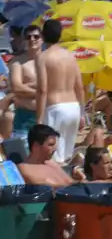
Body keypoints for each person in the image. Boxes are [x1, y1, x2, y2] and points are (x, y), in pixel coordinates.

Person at [34, 19, 85, 164]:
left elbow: (42, 90)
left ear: (43, 35)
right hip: (73, 107)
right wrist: (82, 114)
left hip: (54, 108)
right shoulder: (71, 56)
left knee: (51, 156)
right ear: (60, 35)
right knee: (67, 155)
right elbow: (79, 87)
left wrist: (38, 119)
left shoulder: (43, 57)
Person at [7, 24, 40, 142]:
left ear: (42, 39)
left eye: (36, 36)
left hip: (45, 116)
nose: (32, 39)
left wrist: (27, 86)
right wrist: (42, 91)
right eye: (28, 37)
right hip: (24, 116)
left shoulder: (49, 61)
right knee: (21, 156)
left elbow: (55, 86)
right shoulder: (18, 63)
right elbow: (17, 88)